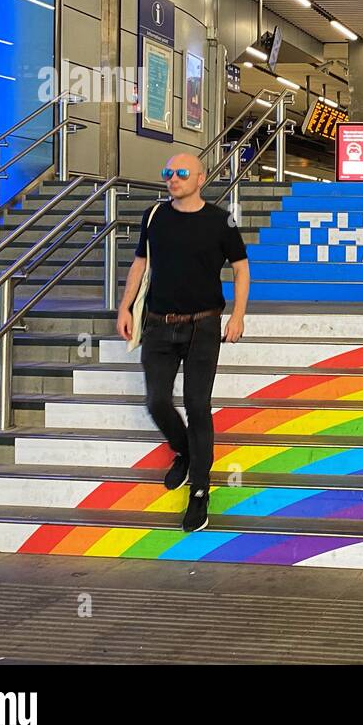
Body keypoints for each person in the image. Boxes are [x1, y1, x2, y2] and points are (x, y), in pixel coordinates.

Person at [115, 153, 250, 533]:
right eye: (167, 172)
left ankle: (201, 491)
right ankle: (186, 452)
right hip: (158, 325)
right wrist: (125, 307)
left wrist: (238, 315)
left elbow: (241, 268)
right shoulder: (154, 216)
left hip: (203, 326)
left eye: (181, 173)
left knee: (197, 404)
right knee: (157, 401)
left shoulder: (220, 220)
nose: (172, 178)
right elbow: (141, 263)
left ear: (201, 178)